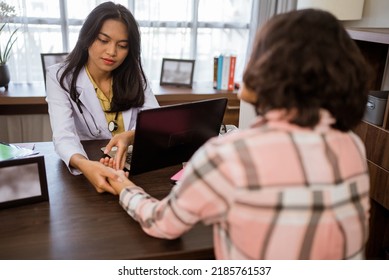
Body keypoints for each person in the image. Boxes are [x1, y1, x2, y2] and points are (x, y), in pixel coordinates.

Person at [105, 9, 371, 259]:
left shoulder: (230, 154)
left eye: (256, 52)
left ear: (271, 69)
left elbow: (162, 223)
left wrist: (124, 187)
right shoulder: (352, 145)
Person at [45, 2, 159, 194]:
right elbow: (63, 136)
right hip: (89, 168)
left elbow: (154, 120)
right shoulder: (59, 77)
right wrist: (85, 165)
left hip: (134, 170)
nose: (112, 52)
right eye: (103, 40)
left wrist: (130, 136)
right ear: (87, 38)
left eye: (122, 45)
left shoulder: (135, 74)